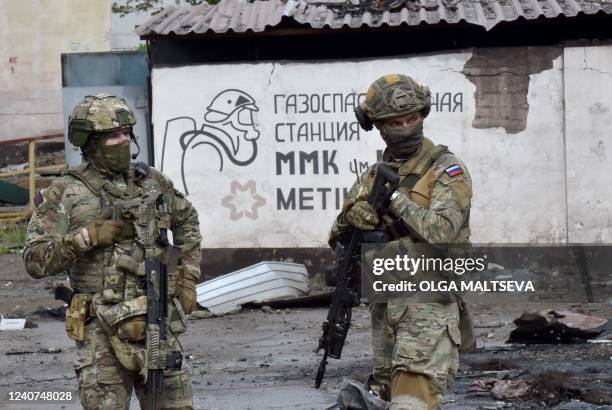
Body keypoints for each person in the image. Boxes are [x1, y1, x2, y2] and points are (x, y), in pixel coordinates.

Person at [23, 94, 202, 410]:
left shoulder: (152, 181)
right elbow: (34, 260)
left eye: (126, 134)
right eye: (112, 136)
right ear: (89, 142)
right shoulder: (66, 192)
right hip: (101, 333)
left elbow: (187, 220)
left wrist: (188, 274)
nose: (122, 141)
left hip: (157, 321)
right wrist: (85, 238)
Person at [329, 74, 474, 410]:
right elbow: (337, 238)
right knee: (387, 398)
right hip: (385, 308)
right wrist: (350, 218)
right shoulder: (371, 176)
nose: (407, 127)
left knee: (412, 403)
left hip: (429, 307)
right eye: (396, 121)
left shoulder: (446, 170)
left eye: (413, 118)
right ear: (377, 125)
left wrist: (395, 198)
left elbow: (442, 232)